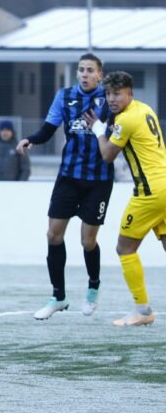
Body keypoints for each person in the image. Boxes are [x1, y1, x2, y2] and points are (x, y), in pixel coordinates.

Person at [17, 53, 113, 320]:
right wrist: (30, 140)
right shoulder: (65, 96)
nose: (84, 74)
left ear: (100, 75)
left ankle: (93, 286)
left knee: (87, 240)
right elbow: (49, 129)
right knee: (53, 235)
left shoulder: (110, 98)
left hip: (99, 178)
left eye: (90, 70)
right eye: (81, 69)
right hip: (68, 176)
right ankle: (58, 296)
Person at [84, 71, 166, 326]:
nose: (111, 99)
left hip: (149, 192)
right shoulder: (144, 109)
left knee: (125, 248)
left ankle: (142, 311)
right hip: (164, 183)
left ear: (130, 93)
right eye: (108, 93)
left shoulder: (127, 119)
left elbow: (107, 154)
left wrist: (99, 129)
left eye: (117, 93)